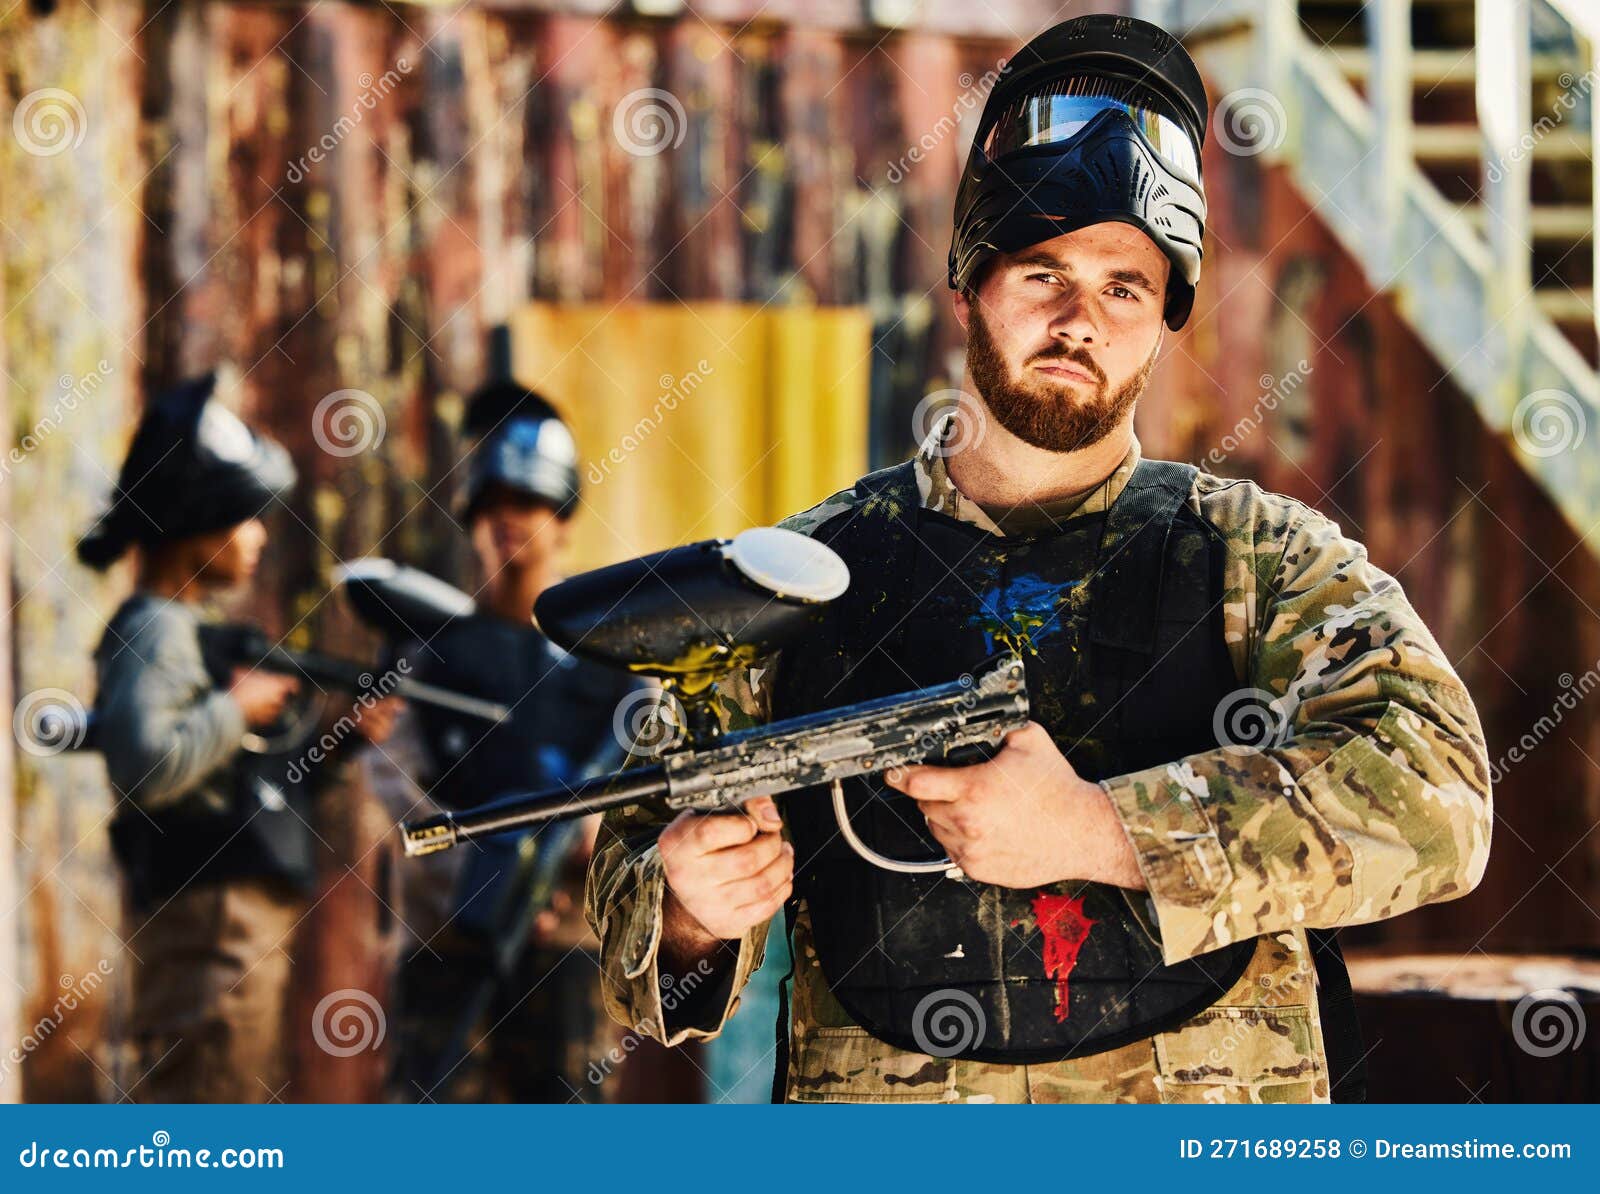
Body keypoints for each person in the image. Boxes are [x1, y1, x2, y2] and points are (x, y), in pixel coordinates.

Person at [585, 13, 1493, 1104]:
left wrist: (1104, 831)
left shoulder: (1261, 560)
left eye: (1124, 289)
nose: (1080, 321)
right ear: (967, 287)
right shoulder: (802, 577)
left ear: (1163, 325)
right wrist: (689, 912)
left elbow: (1441, 802)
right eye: (1042, 274)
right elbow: (639, 906)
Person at [80, 373, 397, 1102]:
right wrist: (238, 710)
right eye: (242, 518)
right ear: (195, 521)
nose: (257, 537)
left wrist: (341, 738)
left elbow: (248, 789)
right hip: (208, 926)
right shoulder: (154, 629)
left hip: (233, 924)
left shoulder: (189, 631)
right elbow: (145, 765)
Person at [370, 375, 643, 1103]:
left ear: (562, 519)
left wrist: (590, 847)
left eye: (527, 503)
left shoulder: (612, 654)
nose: (508, 521)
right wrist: (478, 877)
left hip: (568, 952)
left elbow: (652, 787)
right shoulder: (430, 648)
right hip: (447, 947)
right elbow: (396, 784)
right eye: (491, 506)